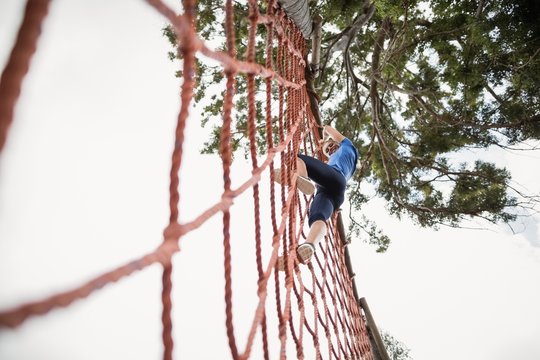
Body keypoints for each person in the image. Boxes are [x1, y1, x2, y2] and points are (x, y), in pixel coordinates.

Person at [275, 125, 359, 266]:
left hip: (336, 178)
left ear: (338, 144)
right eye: (328, 150)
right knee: (317, 217)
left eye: (332, 146)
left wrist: (325, 136)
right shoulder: (335, 161)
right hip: (332, 193)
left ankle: (300, 177)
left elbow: (329, 128)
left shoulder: (348, 146)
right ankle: (309, 245)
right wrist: (325, 146)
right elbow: (322, 169)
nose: (331, 149)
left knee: (295, 157)